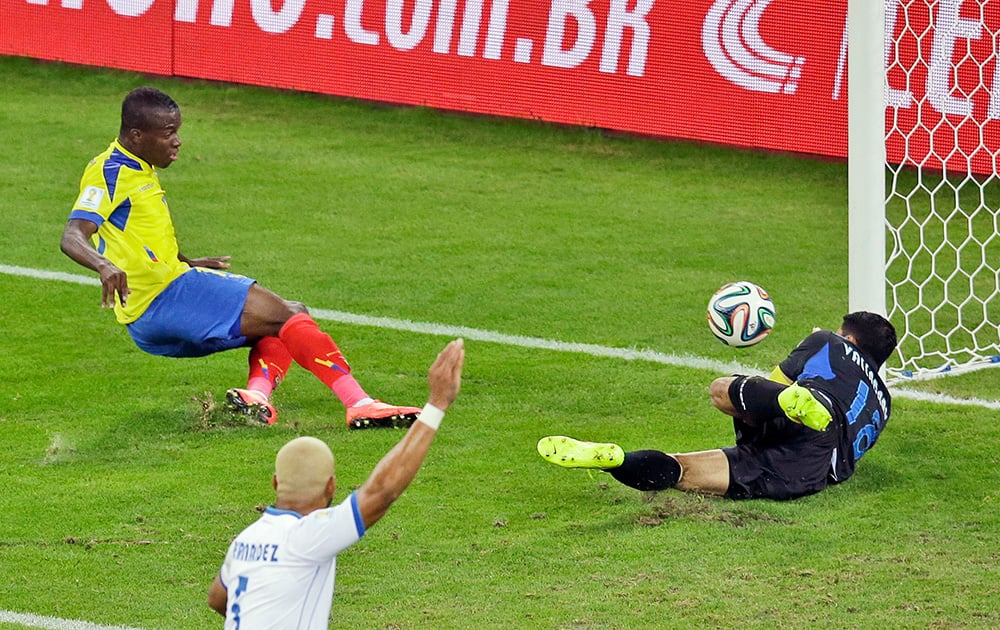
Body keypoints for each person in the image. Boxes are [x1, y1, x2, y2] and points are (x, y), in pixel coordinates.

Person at [60, 86, 418, 428]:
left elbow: (138, 233)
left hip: (148, 321)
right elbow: (73, 235)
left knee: (284, 319)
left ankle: (256, 399)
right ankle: (360, 404)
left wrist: (186, 261)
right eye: (168, 132)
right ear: (137, 136)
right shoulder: (109, 172)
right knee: (291, 316)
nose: (178, 141)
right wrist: (104, 265)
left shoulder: (135, 167)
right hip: (165, 298)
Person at [207, 338, 464, 626]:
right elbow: (382, 492)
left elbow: (218, 599)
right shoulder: (309, 536)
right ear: (331, 486)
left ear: (276, 483)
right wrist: (437, 404)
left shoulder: (246, 540)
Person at [538, 312, 897, 501]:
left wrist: (776, 395)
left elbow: (772, 382)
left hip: (808, 412)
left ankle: (620, 460)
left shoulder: (828, 342)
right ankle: (617, 459)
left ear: (848, 337)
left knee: (722, 390)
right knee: (684, 473)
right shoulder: (884, 404)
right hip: (808, 469)